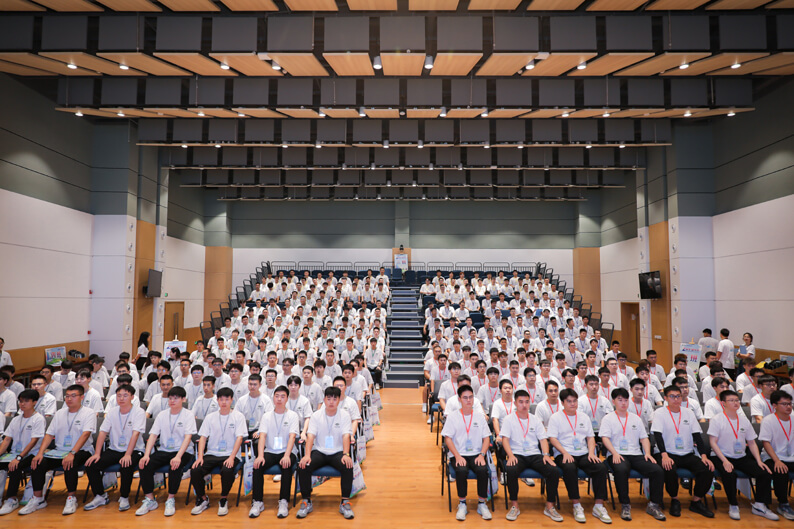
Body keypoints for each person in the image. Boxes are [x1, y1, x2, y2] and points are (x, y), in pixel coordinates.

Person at [21, 384, 97, 515]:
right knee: (38, 462)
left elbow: (86, 434)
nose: (69, 399)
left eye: (73, 396)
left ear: (82, 397)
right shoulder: (60, 413)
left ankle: (71, 498)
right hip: (59, 451)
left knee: (70, 462)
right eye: (67, 396)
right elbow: (49, 434)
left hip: (82, 450)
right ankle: (38, 499)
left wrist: (72, 453)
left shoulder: (89, 413)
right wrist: (40, 453)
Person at [707, 389, 777, 520]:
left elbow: (752, 443)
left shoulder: (744, 420)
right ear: (723, 403)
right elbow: (713, 443)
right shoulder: (717, 419)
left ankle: (760, 505)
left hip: (741, 456)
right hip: (721, 456)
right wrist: (725, 461)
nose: (735, 403)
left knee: (764, 473)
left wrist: (759, 461)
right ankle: (733, 505)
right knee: (729, 474)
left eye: (737, 400)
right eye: (731, 400)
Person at [600, 388, 666, 521]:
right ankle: (625, 504)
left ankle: (653, 504)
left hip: (636, 454)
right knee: (621, 469)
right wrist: (614, 453)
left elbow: (644, 438)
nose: (623, 403)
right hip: (617, 454)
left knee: (657, 470)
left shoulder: (635, 418)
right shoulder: (608, 418)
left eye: (625, 400)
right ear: (613, 401)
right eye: (620, 400)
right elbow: (605, 438)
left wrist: (648, 453)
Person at [547, 388, 611, 523]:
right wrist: (564, 452)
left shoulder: (584, 417)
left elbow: (590, 437)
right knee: (569, 468)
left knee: (600, 467)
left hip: (583, 453)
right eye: (569, 401)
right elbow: (552, 438)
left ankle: (599, 506)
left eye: (575, 401)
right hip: (564, 453)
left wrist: (591, 453)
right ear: (562, 403)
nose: (573, 404)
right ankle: (576, 504)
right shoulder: (555, 417)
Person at [650, 385, 715, 518]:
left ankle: (696, 501)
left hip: (687, 453)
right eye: (672, 396)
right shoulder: (659, 413)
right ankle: (674, 499)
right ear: (665, 398)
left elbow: (697, 436)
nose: (676, 399)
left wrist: (703, 456)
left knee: (707, 468)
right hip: (667, 452)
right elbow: (658, 436)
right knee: (669, 468)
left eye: (678, 396)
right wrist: (664, 455)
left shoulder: (688, 413)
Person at [500, 388, 563, 522]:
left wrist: (546, 454)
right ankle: (515, 505)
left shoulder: (535, 420)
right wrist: (510, 455)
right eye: (521, 402)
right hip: (517, 454)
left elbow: (543, 440)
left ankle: (550, 506)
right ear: (515, 403)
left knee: (553, 470)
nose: (524, 405)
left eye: (527, 402)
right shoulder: (508, 419)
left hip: (534, 454)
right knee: (511, 470)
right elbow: (505, 439)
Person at [83, 384, 146, 512]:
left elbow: (135, 434)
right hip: (114, 449)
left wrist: (128, 454)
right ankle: (100, 496)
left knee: (126, 465)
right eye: (119, 396)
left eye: (125, 395)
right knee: (91, 465)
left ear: (132, 397)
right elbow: (102, 432)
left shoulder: (139, 412)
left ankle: (124, 497)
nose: (121, 398)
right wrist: (97, 453)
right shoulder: (112, 412)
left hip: (135, 450)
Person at [136, 386, 197, 517]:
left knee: (175, 466)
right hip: (164, 450)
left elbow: (188, 438)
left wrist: (178, 456)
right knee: (144, 464)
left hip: (183, 451)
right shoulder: (162, 415)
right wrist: (146, 455)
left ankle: (170, 499)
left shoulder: (188, 415)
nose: (172, 401)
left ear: (183, 399)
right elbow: (153, 435)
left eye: (176, 398)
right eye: (170, 398)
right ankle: (150, 499)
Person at [296, 386, 356, 520]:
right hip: (320, 451)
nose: (331, 402)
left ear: (339, 400)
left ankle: (345, 502)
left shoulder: (344, 415)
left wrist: (346, 454)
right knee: (304, 465)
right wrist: (307, 455)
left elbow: (346, 436)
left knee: (347, 466)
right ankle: (306, 501)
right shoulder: (316, 415)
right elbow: (310, 436)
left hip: (337, 452)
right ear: (324, 400)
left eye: (335, 399)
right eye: (329, 399)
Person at [190, 387, 248, 516]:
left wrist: (232, 457)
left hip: (230, 454)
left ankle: (223, 498)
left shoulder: (238, 417)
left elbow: (240, 438)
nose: (224, 402)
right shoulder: (210, 417)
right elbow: (203, 438)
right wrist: (200, 457)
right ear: (217, 400)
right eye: (221, 399)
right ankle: (203, 498)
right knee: (195, 469)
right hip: (212, 453)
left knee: (227, 470)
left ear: (232, 400)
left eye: (227, 399)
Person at [441, 385, 493, 521]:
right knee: (461, 470)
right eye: (465, 398)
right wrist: (457, 456)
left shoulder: (479, 416)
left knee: (482, 470)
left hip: (477, 453)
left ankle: (482, 503)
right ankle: (462, 503)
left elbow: (486, 438)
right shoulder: (453, 417)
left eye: (471, 397)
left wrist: (482, 455)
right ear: (459, 399)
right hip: (458, 453)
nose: (468, 400)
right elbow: (448, 439)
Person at [249, 385, 299, 519]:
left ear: (287, 399)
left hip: (287, 451)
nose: (279, 399)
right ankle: (257, 501)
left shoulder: (292, 415)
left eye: (282, 396)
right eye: (277, 396)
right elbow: (262, 436)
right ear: (273, 398)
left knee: (286, 465)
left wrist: (287, 455)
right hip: (270, 450)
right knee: (257, 465)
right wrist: (260, 456)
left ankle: (283, 501)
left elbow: (292, 437)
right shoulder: (266, 416)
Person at [0, 390, 45, 515]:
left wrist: (19, 457)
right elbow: (7, 439)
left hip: (31, 454)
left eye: (26, 401)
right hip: (15, 453)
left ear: (34, 402)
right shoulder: (16, 419)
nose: (22, 404)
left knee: (15, 466)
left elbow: (33, 441)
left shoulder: (38, 419)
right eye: (20, 401)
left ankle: (12, 499)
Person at [759, 390, 794, 520]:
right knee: (780, 470)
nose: (788, 407)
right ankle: (783, 504)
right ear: (774, 405)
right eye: (784, 404)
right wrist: (777, 460)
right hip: (772, 456)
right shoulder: (768, 421)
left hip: (791, 457)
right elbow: (766, 443)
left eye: (790, 403)